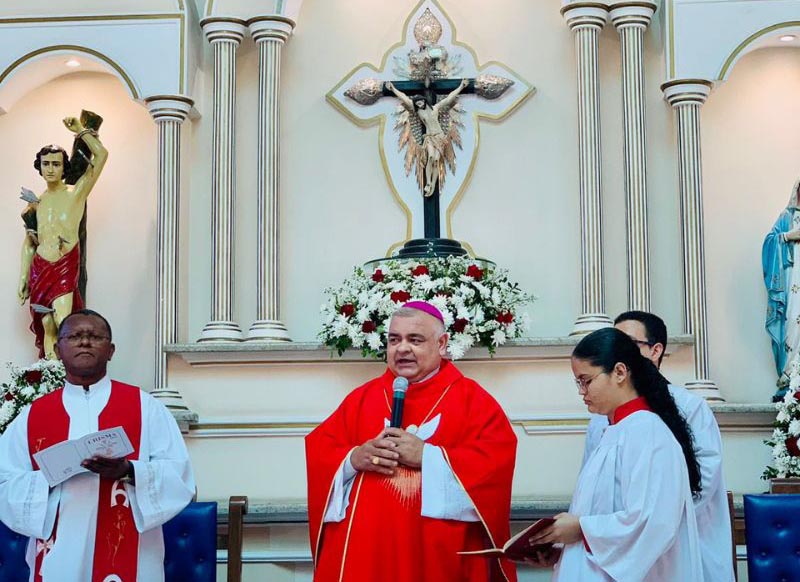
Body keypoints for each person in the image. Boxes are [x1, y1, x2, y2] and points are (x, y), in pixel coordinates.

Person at [305, 301, 517, 581]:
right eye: (394, 340)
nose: (402, 349)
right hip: (368, 556)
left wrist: (428, 457)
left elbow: (494, 464)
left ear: (442, 344)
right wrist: (354, 458)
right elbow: (320, 450)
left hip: (435, 557)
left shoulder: (472, 400)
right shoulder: (362, 398)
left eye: (414, 340)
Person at [0, 309, 195, 582]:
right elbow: (5, 482)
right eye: (75, 336)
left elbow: (180, 475)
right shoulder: (33, 415)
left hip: (131, 549)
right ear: (57, 348)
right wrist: (48, 475)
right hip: (60, 549)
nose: (85, 342)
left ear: (111, 350)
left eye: (94, 336)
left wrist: (129, 470)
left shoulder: (145, 408)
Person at [529, 327, 703, 581]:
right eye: (578, 382)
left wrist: (581, 529)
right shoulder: (616, 431)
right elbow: (604, 513)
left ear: (620, 372)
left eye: (586, 380)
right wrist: (565, 552)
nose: (581, 391)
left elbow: (652, 522)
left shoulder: (648, 432)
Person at [579, 311, 733, 582]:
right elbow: (593, 489)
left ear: (655, 350)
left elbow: (702, 484)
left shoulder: (690, 408)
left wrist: (642, 529)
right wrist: (603, 532)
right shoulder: (601, 419)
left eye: (628, 343)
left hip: (677, 542)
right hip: (611, 548)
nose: (619, 350)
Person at [18, 116, 108, 360]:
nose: (50, 168)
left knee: (63, 320)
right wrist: (24, 275)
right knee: (47, 323)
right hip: (40, 267)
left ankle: (68, 371)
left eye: (56, 164)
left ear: (63, 167)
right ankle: (51, 374)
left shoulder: (75, 193)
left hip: (64, 265)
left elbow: (101, 156)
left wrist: (81, 131)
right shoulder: (36, 203)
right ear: (39, 167)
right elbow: (29, 242)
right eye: (46, 163)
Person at [386, 79, 469, 197]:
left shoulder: (435, 108)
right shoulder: (419, 112)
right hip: (429, 137)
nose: (419, 104)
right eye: (417, 103)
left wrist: (461, 86)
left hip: (440, 137)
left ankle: (433, 183)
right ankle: (428, 182)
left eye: (420, 102)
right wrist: (393, 89)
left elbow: (448, 99)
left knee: (436, 160)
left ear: (424, 101)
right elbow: (404, 98)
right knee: (430, 156)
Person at [763, 179, 800, 399]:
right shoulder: (787, 218)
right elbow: (769, 243)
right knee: (794, 324)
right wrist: (787, 237)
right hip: (793, 288)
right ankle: (791, 376)